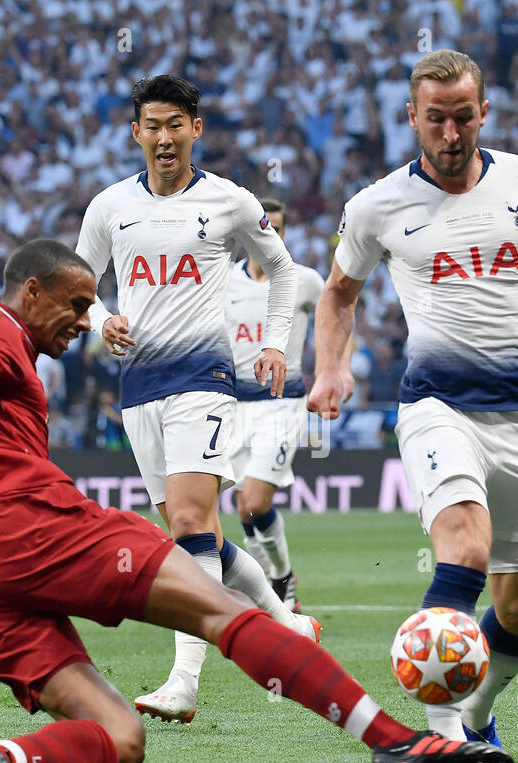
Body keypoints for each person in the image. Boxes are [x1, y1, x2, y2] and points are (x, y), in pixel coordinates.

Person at [0, 238, 509, 763]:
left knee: (120, 738)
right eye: (77, 304)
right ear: (31, 290)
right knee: (221, 610)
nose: (84, 322)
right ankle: (393, 742)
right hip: (23, 525)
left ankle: (3, 758)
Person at [308, 50, 518, 763]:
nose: (450, 132)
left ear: (483, 113)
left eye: (463, 116)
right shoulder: (376, 207)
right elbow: (337, 293)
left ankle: (478, 716)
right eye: (436, 118)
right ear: (412, 118)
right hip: (435, 406)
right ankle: (439, 741)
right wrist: (332, 368)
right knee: (463, 548)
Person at [75, 75, 319, 725]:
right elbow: (81, 286)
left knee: (187, 525)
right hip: (139, 389)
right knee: (197, 532)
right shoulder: (109, 208)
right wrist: (101, 323)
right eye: (152, 126)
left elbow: (285, 270)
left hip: (206, 382)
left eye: (175, 124)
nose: (163, 137)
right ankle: (283, 618)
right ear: (136, 133)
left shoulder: (230, 202)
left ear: (195, 130)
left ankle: (184, 681)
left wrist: (274, 344)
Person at [225, 197, 351, 611]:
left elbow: (339, 314)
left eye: (278, 229)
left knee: (258, 501)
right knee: (244, 511)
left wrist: (339, 368)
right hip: (232, 406)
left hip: (282, 403)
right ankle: (274, 579)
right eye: (264, 228)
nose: (271, 236)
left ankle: (279, 582)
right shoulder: (225, 281)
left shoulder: (304, 280)